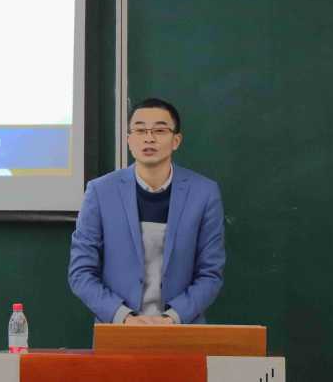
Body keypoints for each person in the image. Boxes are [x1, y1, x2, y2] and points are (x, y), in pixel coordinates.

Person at [68, 98, 225, 325]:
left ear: (176, 140)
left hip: (182, 329)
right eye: (140, 130)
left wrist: (172, 318)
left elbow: (210, 274)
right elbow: (81, 272)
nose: (149, 138)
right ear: (129, 140)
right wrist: (123, 317)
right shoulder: (100, 192)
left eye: (159, 130)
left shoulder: (204, 193)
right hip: (118, 330)